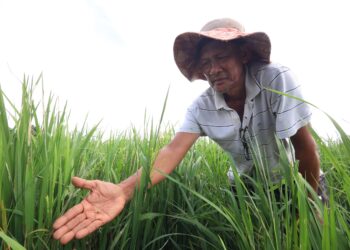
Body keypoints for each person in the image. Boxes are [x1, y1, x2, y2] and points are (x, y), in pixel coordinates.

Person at [53, 18, 324, 245]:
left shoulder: (275, 79)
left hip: (298, 178)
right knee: (260, 241)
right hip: (247, 187)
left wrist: (306, 204)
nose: (212, 69)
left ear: (243, 55)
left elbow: (305, 148)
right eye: (205, 63)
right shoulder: (201, 107)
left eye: (220, 57)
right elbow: (171, 151)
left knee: (316, 236)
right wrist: (123, 191)